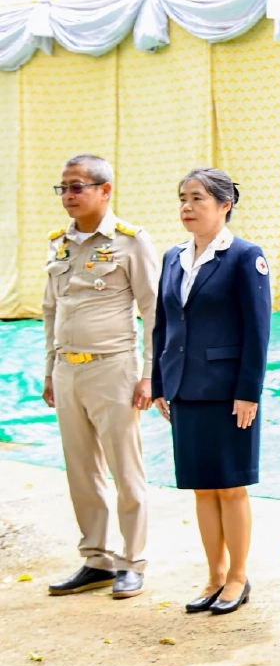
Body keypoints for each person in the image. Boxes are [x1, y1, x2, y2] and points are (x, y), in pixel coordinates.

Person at [151, 169, 271, 616]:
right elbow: (163, 325)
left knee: (231, 487)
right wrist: (161, 383)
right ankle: (214, 575)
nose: (187, 207)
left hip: (227, 393)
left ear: (224, 205)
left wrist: (248, 392)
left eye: (197, 198)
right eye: (182, 198)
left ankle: (238, 576)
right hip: (184, 388)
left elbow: (257, 331)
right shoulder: (172, 257)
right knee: (202, 488)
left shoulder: (244, 256)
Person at [41, 154, 159, 600]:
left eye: (77, 187)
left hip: (115, 368)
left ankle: (133, 560)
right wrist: (49, 368)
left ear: (105, 190)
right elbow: (51, 308)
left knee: (126, 469)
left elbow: (152, 312)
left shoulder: (131, 242)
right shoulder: (58, 242)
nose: (68, 196)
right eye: (64, 188)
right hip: (67, 369)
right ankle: (97, 558)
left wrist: (150, 375)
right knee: (81, 470)